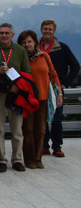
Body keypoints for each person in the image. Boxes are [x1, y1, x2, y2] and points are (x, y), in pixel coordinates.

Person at [0, 23, 32, 173]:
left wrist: (18, 87)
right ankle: (1, 159)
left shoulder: (20, 50)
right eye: (1, 33)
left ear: (13, 35)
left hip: (16, 94)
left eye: (7, 33)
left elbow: (28, 73)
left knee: (17, 129)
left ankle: (17, 159)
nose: (4, 35)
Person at [20, 30, 62, 169]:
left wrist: (59, 93)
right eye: (24, 42)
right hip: (27, 99)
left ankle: (38, 158)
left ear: (35, 42)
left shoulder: (44, 56)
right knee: (28, 130)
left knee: (41, 130)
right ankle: (29, 159)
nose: (27, 45)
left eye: (29, 41)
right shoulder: (21, 58)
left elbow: (53, 74)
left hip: (43, 98)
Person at [41, 19, 79, 157]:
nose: (47, 31)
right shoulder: (35, 48)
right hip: (40, 87)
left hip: (57, 89)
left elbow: (75, 66)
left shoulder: (62, 48)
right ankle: (44, 146)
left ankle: (57, 147)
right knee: (42, 118)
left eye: (50, 29)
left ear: (54, 31)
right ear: (41, 30)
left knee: (56, 119)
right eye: (45, 29)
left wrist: (65, 83)